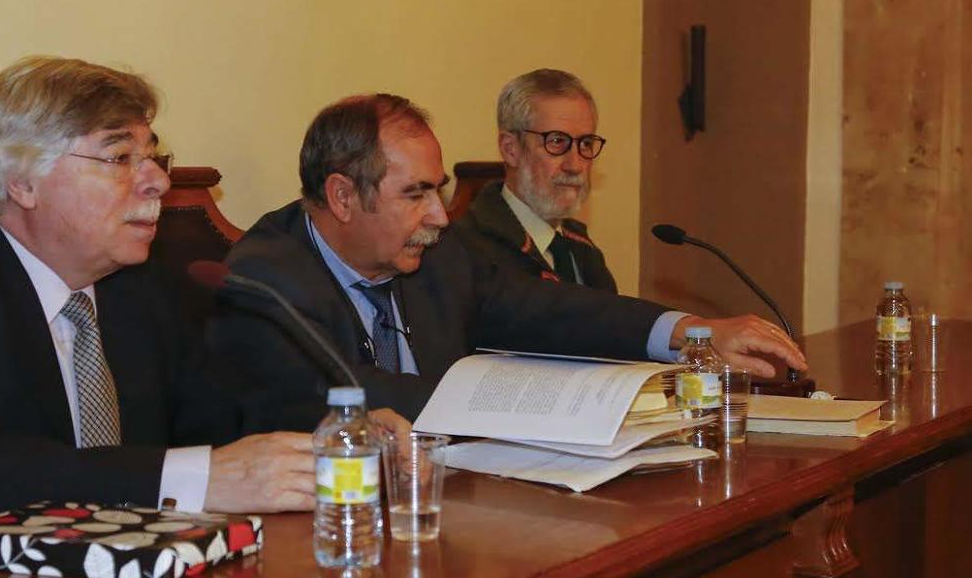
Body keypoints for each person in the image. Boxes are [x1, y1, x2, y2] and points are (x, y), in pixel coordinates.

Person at [0, 57, 403, 559]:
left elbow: (227, 414)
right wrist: (195, 479)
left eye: (154, 159)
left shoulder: (135, 288)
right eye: (120, 158)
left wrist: (337, 432)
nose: (158, 183)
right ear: (22, 181)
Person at [207, 93, 806, 431]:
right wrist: (521, 403)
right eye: (415, 194)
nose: (440, 216)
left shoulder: (435, 254)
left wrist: (689, 331)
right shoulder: (265, 281)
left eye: (438, 190)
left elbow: (544, 309)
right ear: (342, 197)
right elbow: (340, 394)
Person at [456, 69, 617, 291]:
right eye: (557, 142)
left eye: (586, 143)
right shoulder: (469, 250)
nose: (575, 165)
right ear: (510, 149)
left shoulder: (584, 250)